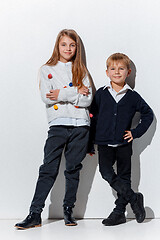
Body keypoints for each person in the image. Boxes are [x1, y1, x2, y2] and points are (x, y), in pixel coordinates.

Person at [15, 29, 93, 229]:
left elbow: (88, 99)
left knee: (73, 170)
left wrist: (62, 93)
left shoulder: (82, 70)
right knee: (48, 169)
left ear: (77, 48)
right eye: (64, 44)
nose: (68, 48)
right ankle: (34, 213)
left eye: (72, 45)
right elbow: (47, 96)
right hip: (58, 125)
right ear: (57, 46)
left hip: (81, 126)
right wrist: (75, 91)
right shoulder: (46, 68)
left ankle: (68, 211)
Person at [88, 53, 153, 226]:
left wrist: (135, 132)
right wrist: (90, 142)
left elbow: (148, 114)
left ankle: (119, 212)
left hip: (124, 143)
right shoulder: (101, 94)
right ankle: (134, 198)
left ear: (128, 72)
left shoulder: (133, 96)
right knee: (106, 172)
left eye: (121, 69)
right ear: (107, 72)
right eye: (113, 69)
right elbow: (92, 117)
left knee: (125, 177)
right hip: (104, 142)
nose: (117, 72)